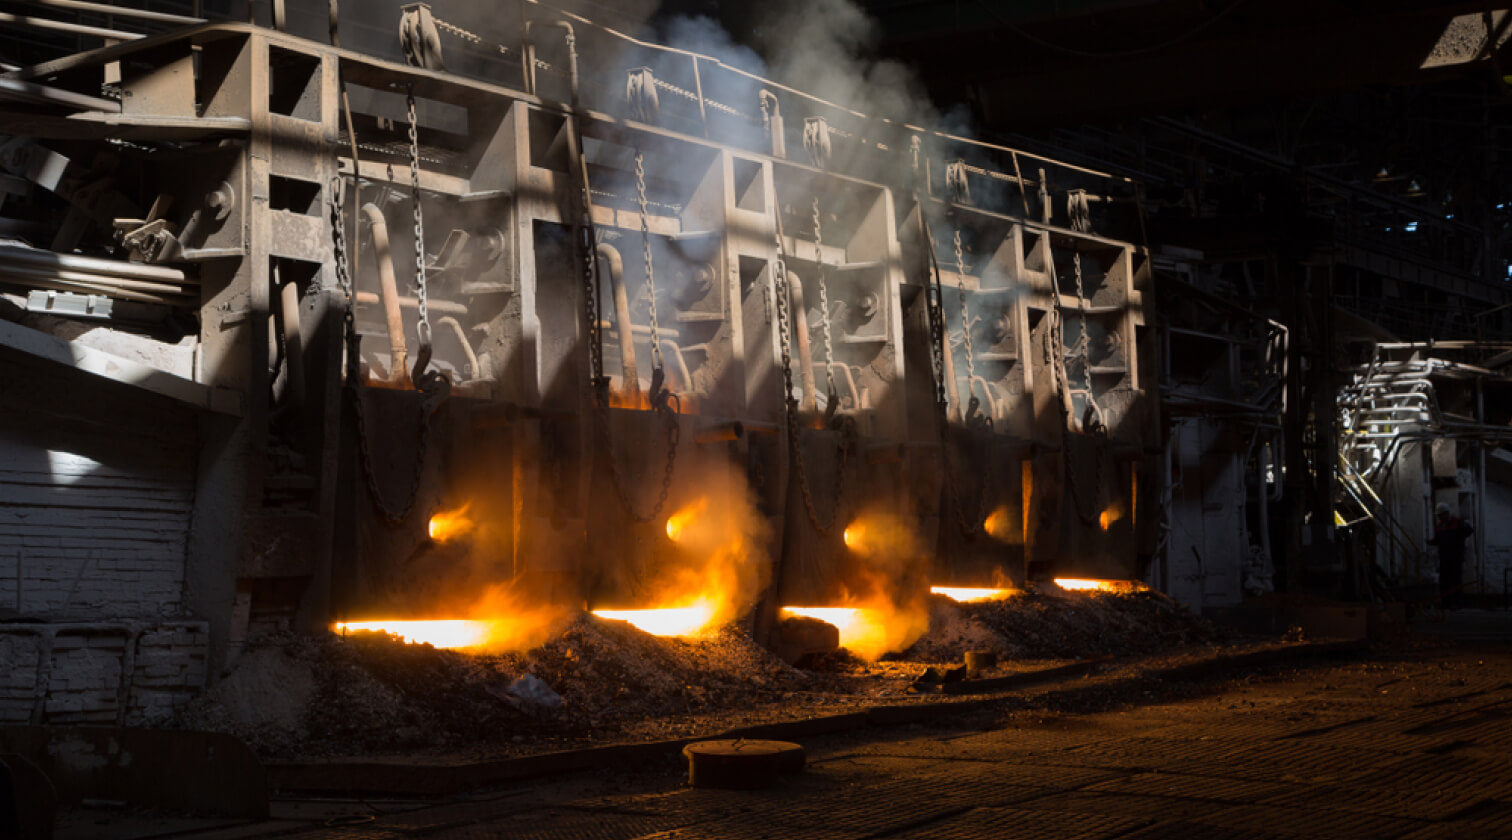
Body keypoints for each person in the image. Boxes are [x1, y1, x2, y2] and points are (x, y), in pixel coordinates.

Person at [1428, 502, 1474, 610]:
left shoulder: (1458, 523)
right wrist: (1431, 542)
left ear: (1447, 513)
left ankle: (1457, 603)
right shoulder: (1440, 526)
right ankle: (1446, 603)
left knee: (1455, 580)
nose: (1439, 518)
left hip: (1455, 557)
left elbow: (1469, 530)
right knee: (1444, 581)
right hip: (1444, 557)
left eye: (1440, 515)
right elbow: (1438, 540)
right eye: (1438, 516)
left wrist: (1458, 538)